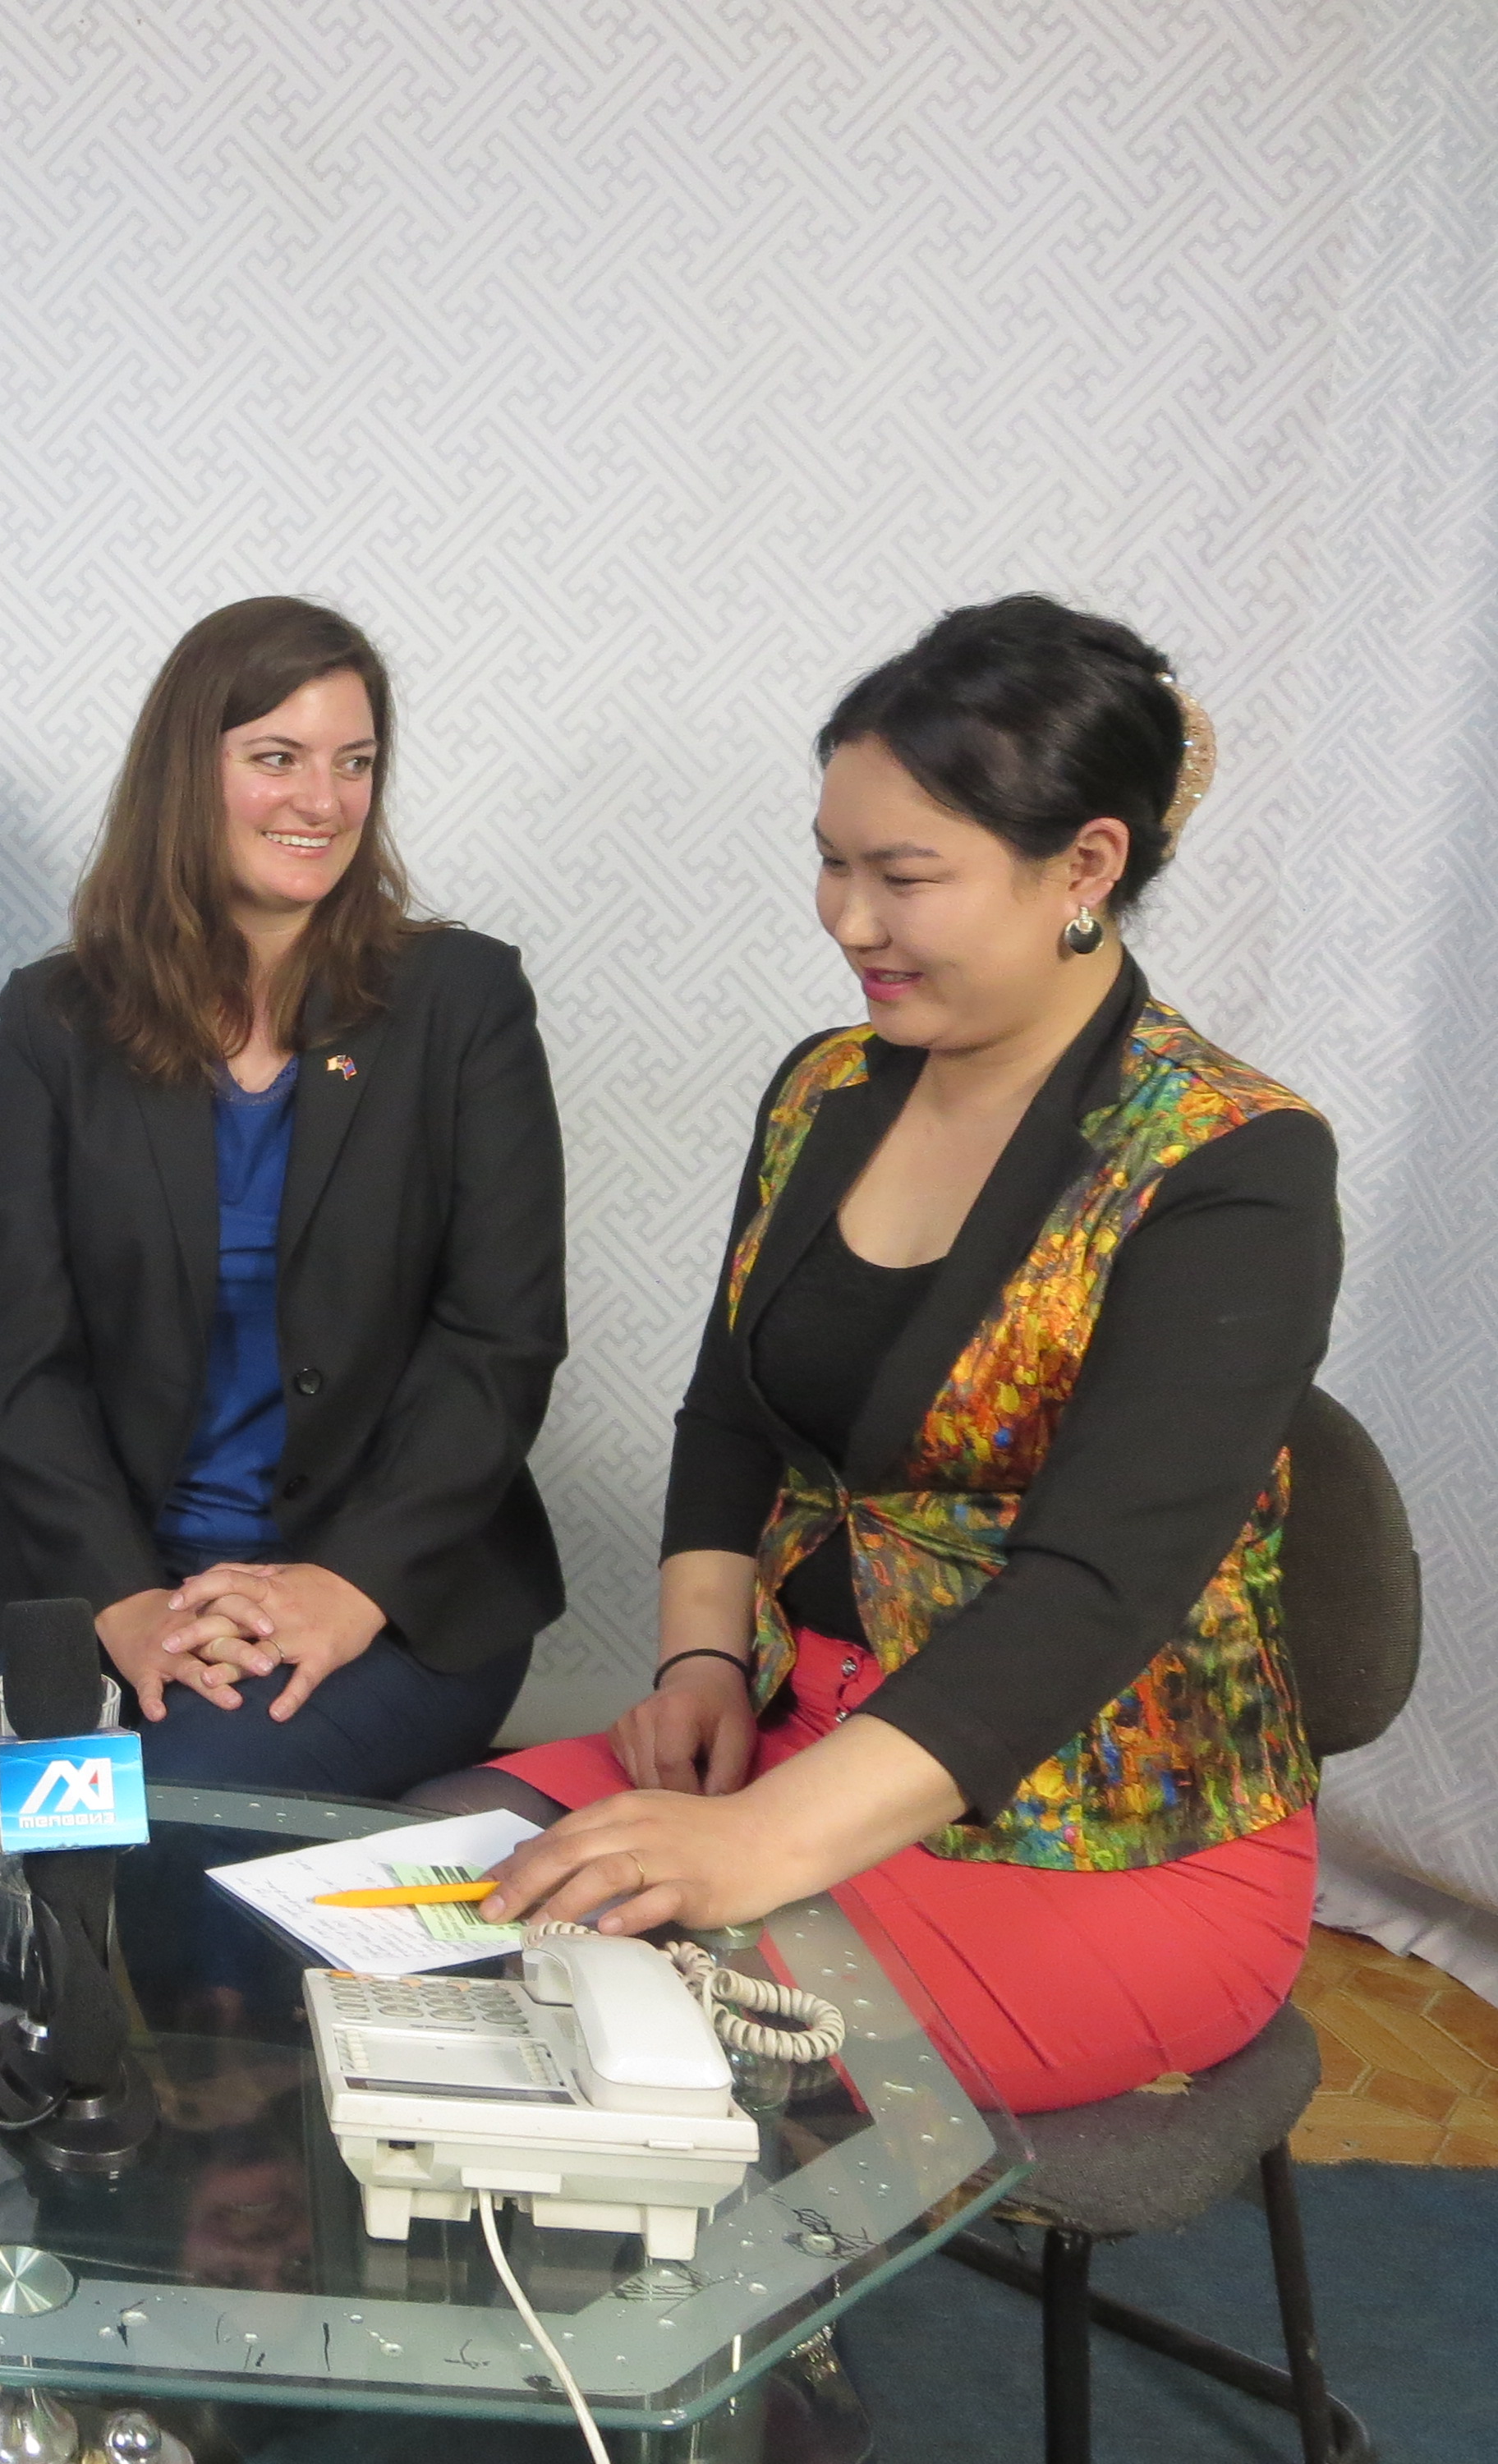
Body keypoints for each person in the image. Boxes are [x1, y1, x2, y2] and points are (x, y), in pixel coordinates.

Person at [457, 595, 1336, 2118]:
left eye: (905, 877)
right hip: (799, 1727)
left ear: (1087, 867)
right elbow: (732, 1410)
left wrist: (761, 1843)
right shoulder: (827, 1089)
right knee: (413, 1890)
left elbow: (1097, 1589)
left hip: (1097, 1828)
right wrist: (699, 1662)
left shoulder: (1231, 1164)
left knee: (580, 2037)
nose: (849, 921)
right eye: (833, 862)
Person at [0, 596, 567, 1793]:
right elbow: (22, 1353)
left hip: (376, 1578)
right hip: (82, 1564)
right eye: (277, 758)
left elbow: (499, 1341)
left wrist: (348, 1585)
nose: (324, 802)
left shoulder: (463, 1002)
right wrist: (124, 1601)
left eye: (354, 763)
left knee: (171, 1810)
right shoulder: (54, 1021)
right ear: (185, 774)